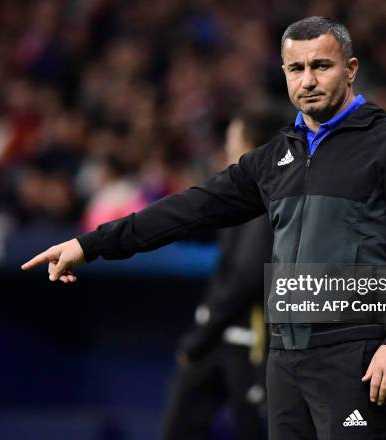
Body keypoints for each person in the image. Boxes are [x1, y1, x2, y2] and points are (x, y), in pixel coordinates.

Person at [22, 16, 386, 440]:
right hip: (283, 358)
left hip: (357, 355)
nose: (308, 80)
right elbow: (191, 208)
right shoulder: (274, 157)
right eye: (296, 69)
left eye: (322, 66)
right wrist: (89, 244)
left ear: (350, 70)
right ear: (283, 74)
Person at [161, 110, 278, 440]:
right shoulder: (234, 195)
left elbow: (247, 278)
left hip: (247, 343)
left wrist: (201, 335)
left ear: (252, 146)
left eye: (233, 140)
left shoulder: (270, 201)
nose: (226, 148)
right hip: (217, 339)